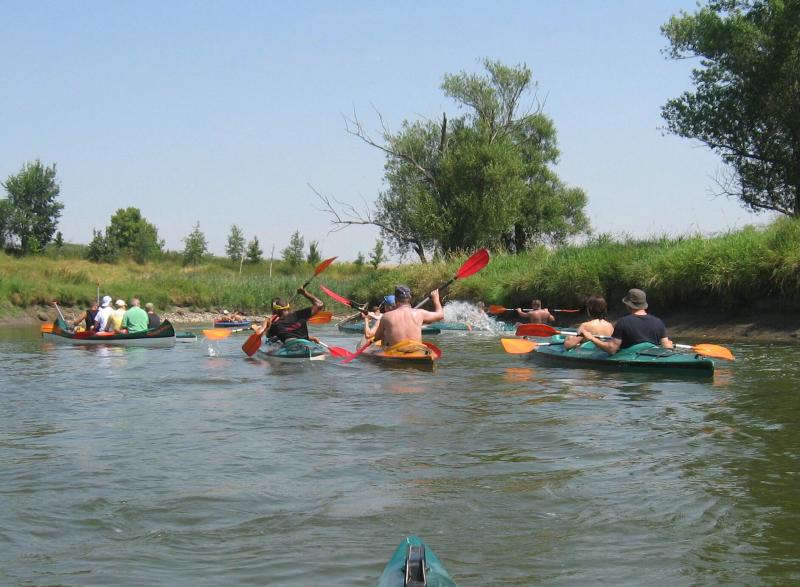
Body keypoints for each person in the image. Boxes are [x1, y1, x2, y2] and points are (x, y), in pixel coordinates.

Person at [580, 288, 673, 354]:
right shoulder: (658, 322)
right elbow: (667, 347)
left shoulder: (623, 322)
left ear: (628, 305)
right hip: (652, 357)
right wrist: (669, 345)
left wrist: (591, 338)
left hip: (630, 359)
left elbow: (611, 349)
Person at [371, 285, 443, 348]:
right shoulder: (420, 313)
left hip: (395, 352)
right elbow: (440, 315)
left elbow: (377, 337)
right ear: (410, 298)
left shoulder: (386, 316)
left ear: (395, 299)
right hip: (416, 350)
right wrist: (436, 299)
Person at [253, 287, 324, 343]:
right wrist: (305, 293)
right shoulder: (300, 314)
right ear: (288, 307)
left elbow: (268, 336)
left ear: (275, 311)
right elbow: (320, 304)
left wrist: (269, 325)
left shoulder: (275, 325)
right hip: (304, 344)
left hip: (292, 347)